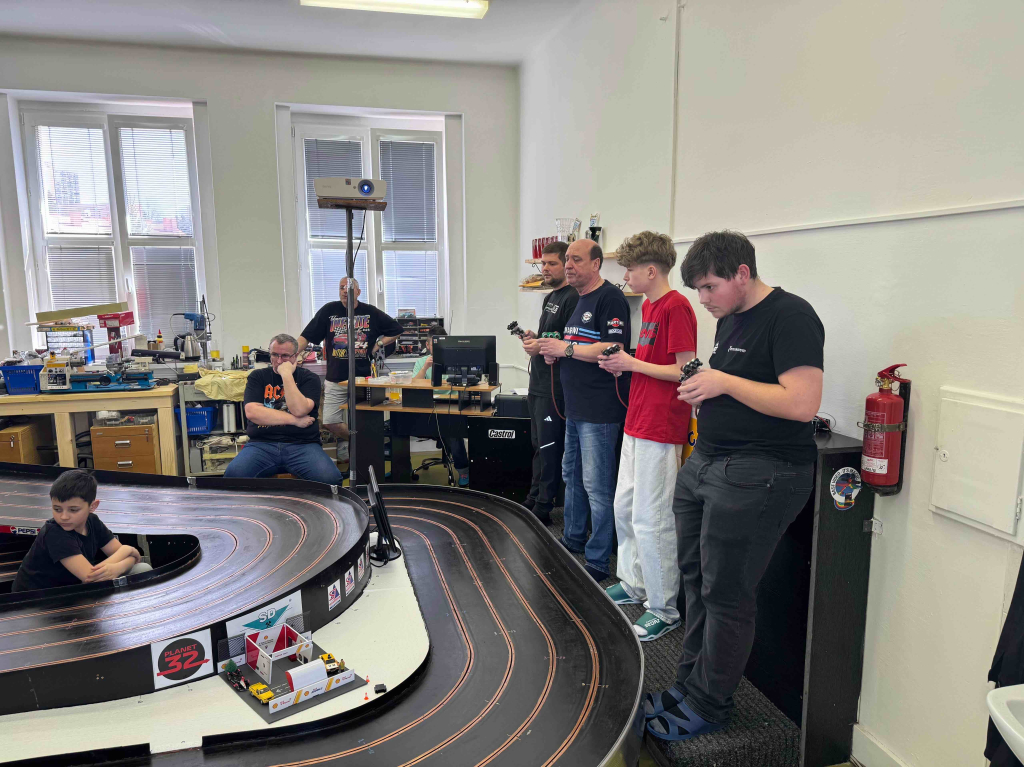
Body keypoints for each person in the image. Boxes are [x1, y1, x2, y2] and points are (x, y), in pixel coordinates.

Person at [645, 230, 824, 742]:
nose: (703, 300)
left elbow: (802, 403)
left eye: (710, 287)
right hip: (709, 462)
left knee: (727, 594)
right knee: (697, 583)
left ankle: (710, 704)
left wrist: (722, 382)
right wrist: (707, 390)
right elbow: (747, 388)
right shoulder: (731, 317)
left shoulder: (791, 316)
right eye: (698, 289)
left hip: (759, 472)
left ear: (742, 273)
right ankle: (688, 686)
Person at [597, 231, 696, 642]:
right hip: (637, 419)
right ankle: (635, 583)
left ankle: (663, 607)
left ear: (651, 270)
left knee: (652, 517)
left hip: (661, 424)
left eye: (630, 269)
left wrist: (632, 363)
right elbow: (652, 363)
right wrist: (626, 363)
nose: (625, 276)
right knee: (624, 507)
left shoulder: (677, 306)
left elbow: (686, 371)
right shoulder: (652, 306)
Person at [536, 239, 630, 583]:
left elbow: (613, 347)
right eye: (567, 260)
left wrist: (566, 349)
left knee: (597, 485)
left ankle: (599, 560)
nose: (568, 265)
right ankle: (573, 538)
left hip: (599, 410)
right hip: (574, 407)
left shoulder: (610, 298)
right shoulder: (580, 300)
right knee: (571, 476)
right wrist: (556, 352)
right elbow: (576, 346)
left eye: (576, 259)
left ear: (596, 264)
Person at [297, 277, 403, 457]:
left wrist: (378, 344)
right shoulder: (329, 311)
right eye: (341, 288)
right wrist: (290, 354)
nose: (345, 291)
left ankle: (368, 455)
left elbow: (397, 330)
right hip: (335, 379)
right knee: (330, 421)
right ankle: (363, 443)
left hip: (363, 379)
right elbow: (306, 336)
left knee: (366, 421)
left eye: (349, 288)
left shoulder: (370, 312)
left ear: (358, 292)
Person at [224, 333, 343, 484]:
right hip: (261, 445)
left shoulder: (309, 378)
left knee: (331, 479)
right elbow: (253, 412)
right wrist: (294, 421)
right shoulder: (257, 376)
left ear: (295, 356)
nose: (279, 361)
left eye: (285, 356)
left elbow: (299, 410)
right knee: (233, 476)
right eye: (275, 355)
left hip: (303, 445)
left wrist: (286, 374)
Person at [12, 470, 148, 592]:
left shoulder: (93, 521)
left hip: (72, 587)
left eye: (73, 510)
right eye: (57, 509)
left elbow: (125, 557)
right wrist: (128, 550)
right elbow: (91, 577)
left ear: (92, 506)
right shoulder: (54, 532)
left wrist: (119, 566)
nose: (64, 516)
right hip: (37, 599)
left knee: (143, 569)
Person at [521, 240, 578, 524]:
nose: (545, 268)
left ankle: (544, 507)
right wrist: (535, 337)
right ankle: (534, 497)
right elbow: (551, 336)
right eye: (543, 263)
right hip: (539, 382)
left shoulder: (572, 298)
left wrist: (540, 345)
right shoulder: (550, 297)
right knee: (537, 445)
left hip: (556, 388)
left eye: (552, 263)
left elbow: (569, 344)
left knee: (550, 447)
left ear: (567, 265)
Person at [412, 324, 470, 486]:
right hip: (428, 410)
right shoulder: (421, 361)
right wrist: (426, 367)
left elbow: (467, 381)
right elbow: (414, 384)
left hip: (451, 408)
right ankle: (402, 467)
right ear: (428, 345)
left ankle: (463, 470)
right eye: (434, 344)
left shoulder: (455, 360)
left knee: (454, 432)